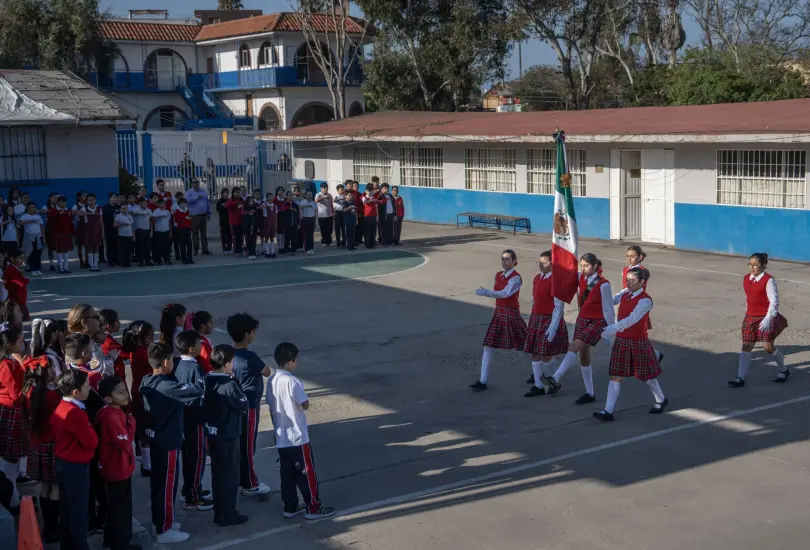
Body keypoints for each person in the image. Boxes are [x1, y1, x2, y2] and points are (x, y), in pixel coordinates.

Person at [140, 342, 203, 544]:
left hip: (157, 438)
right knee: (167, 485)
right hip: (168, 441)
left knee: (160, 484)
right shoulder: (168, 387)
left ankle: (161, 520)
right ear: (166, 362)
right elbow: (195, 390)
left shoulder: (147, 380)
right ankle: (164, 528)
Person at [268, 342, 335, 519]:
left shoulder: (272, 380)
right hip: (297, 437)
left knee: (286, 473)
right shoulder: (292, 381)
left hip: (281, 438)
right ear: (290, 362)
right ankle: (313, 506)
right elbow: (304, 404)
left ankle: (290, 506)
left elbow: (270, 404)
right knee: (306, 473)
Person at [594, 267, 668, 421]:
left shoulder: (645, 300)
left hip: (637, 342)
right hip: (622, 341)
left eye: (632, 280)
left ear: (642, 282)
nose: (628, 283)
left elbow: (632, 319)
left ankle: (660, 399)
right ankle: (608, 411)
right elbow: (609, 301)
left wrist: (612, 328)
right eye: (627, 280)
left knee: (647, 376)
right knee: (615, 376)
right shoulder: (625, 294)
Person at [540, 253, 615, 403]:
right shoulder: (581, 277)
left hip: (597, 322)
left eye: (586, 266)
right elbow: (567, 272)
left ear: (595, 266)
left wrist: (610, 331)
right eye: (582, 265)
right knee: (584, 357)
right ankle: (590, 393)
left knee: (574, 345)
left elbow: (608, 309)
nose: (583, 268)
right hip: (582, 319)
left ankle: (555, 378)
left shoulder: (603, 284)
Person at [51, 368, 98, 550]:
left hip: (64, 464)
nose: (90, 389)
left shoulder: (62, 406)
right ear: (76, 392)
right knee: (79, 513)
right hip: (76, 467)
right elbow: (91, 442)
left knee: (68, 510)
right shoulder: (75, 413)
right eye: (87, 386)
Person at [469, 250, 528, 391]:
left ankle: (537, 371)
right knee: (488, 345)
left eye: (507, 259)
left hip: (511, 314)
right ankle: (483, 381)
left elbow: (506, 293)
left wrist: (487, 293)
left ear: (514, 261)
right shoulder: (498, 275)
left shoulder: (516, 278)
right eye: (502, 259)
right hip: (499, 313)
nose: (504, 261)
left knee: (524, 346)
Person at [729, 252, 790, 387]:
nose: (752, 267)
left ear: (763, 265)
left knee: (768, 348)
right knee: (746, 346)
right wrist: (748, 313)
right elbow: (749, 299)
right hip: (750, 317)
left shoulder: (768, 280)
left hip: (766, 317)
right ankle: (740, 377)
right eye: (750, 264)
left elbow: (774, 301)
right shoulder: (746, 279)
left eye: (755, 265)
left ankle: (783, 370)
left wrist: (769, 318)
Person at [227, 313, 272, 496]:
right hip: (250, 406)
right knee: (248, 444)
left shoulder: (230, 355)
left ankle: (240, 477)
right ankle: (250, 482)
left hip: (235, 405)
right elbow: (267, 371)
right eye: (252, 332)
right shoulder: (250, 356)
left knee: (240, 442)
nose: (254, 335)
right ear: (247, 334)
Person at [204, 344, 249, 527]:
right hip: (228, 435)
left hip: (213, 433)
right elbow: (243, 403)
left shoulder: (207, 379)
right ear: (228, 363)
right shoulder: (229, 384)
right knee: (230, 476)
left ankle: (219, 510)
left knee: (217, 474)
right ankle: (227, 513)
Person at [95, 376, 140, 550]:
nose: (125, 394)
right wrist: (131, 423)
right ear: (107, 398)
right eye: (120, 392)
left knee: (113, 506)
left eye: (125, 390)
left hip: (115, 467)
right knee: (120, 508)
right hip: (117, 469)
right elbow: (123, 441)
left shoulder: (110, 412)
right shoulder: (112, 417)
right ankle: (121, 543)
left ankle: (111, 539)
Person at [22, 352, 63, 543]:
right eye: (53, 367)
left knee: (44, 486)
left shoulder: (30, 392)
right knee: (55, 487)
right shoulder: (54, 396)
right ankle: (53, 528)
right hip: (52, 445)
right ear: (47, 373)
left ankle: (47, 527)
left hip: (38, 444)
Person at [173, 330, 213, 511]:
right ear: (191, 348)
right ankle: (193, 496)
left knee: (190, 456)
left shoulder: (180, 366)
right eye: (199, 343)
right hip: (195, 417)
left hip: (184, 418)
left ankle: (188, 489)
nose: (201, 345)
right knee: (197, 456)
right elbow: (200, 392)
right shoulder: (195, 368)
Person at [523, 251, 570, 398]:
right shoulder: (537, 278)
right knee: (535, 353)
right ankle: (538, 386)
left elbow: (558, 306)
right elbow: (534, 298)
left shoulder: (556, 282)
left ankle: (554, 380)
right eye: (539, 263)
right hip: (536, 318)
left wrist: (553, 326)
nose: (541, 265)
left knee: (546, 354)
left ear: (553, 264)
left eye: (544, 263)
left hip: (549, 320)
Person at [121, 321, 154, 477]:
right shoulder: (143, 352)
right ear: (142, 338)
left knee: (142, 427)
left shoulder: (136, 350)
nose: (152, 340)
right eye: (150, 337)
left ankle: (144, 460)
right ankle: (147, 465)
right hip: (144, 393)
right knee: (145, 429)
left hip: (138, 391)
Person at [0, 326, 27, 512]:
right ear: (10, 345)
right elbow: (16, 394)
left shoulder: (9, 362)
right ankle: (12, 499)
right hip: (11, 410)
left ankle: (13, 489)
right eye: (20, 341)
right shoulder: (7, 365)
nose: (23, 343)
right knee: (9, 457)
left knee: (13, 456)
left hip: (11, 410)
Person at [623, 245, 664, 363]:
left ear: (640, 257)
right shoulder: (625, 270)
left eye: (632, 256)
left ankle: (651, 355)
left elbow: (638, 289)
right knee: (634, 333)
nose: (629, 259)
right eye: (627, 256)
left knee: (639, 333)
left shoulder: (642, 272)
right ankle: (654, 354)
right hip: (627, 301)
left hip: (637, 304)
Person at [186, 178, 211, 257]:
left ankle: (205, 249)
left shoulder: (203, 191)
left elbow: (207, 202)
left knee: (204, 233)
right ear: (192, 184)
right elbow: (187, 201)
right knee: (195, 233)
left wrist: (209, 213)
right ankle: (196, 249)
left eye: (197, 182)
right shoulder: (189, 192)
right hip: (195, 216)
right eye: (194, 182)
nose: (196, 184)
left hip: (203, 215)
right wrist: (196, 197)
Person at [19, 202, 45, 275]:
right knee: (31, 253)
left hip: (38, 237)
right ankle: (32, 268)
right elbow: (20, 223)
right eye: (31, 207)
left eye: (34, 207)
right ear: (27, 208)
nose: (32, 209)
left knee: (38, 253)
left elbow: (42, 227)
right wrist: (30, 221)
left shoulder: (38, 216)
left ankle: (38, 268)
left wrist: (44, 237)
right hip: (29, 238)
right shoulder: (24, 216)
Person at [50, 195, 74, 273]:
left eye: (64, 202)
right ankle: (60, 267)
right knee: (59, 251)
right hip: (58, 233)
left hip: (66, 233)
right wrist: (58, 214)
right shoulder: (53, 211)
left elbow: (71, 222)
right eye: (61, 202)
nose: (63, 204)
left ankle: (66, 267)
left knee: (66, 251)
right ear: (58, 203)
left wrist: (72, 232)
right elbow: (51, 222)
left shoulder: (68, 211)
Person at [3, 248, 30, 321]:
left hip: (18, 299)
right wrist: (26, 280)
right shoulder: (11, 269)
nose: (22, 260)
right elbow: (20, 282)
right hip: (16, 300)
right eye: (20, 258)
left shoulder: (13, 268)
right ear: (12, 258)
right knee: (16, 320)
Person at [159, 303, 188, 368]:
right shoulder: (181, 334)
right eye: (185, 316)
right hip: (179, 365)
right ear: (178, 319)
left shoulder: (165, 333)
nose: (186, 319)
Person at [100, 310, 125, 380]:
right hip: (115, 376)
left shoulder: (101, 337)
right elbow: (127, 353)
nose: (119, 323)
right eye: (117, 321)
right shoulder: (109, 342)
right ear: (109, 326)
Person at [132, 197, 153, 267]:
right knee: (140, 247)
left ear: (146, 203)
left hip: (147, 230)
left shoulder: (149, 210)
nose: (142, 204)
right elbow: (131, 214)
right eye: (141, 203)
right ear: (138, 203)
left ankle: (148, 261)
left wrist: (151, 230)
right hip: (139, 230)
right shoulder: (136, 210)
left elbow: (150, 221)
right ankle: (141, 261)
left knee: (147, 246)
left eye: (144, 203)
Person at [151, 199, 173, 266]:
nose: (164, 205)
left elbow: (169, 222)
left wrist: (170, 231)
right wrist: (160, 216)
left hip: (166, 231)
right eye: (162, 204)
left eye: (164, 203)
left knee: (167, 246)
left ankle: (167, 259)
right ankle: (158, 260)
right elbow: (152, 221)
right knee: (158, 247)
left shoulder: (167, 211)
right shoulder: (156, 211)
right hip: (158, 231)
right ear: (158, 204)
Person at [173, 197, 193, 265]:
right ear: (179, 204)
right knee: (182, 245)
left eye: (184, 203)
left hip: (187, 229)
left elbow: (189, 220)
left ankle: (190, 258)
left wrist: (189, 226)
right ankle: (184, 259)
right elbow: (177, 220)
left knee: (189, 244)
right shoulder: (177, 212)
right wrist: (184, 218)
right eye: (182, 203)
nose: (183, 204)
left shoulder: (188, 211)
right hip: (181, 229)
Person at [225, 188, 245, 256]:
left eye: (239, 192)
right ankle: (236, 251)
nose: (238, 194)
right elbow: (226, 206)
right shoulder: (231, 200)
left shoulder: (241, 200)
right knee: (235, 236)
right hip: (233, 221)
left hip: (241, 221)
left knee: (240, 236)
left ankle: (240, 250)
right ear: (233, 193)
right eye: (236, 192)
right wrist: (235, 203)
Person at [101, 194, 120, 268]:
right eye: (114, 197)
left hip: (118, 229)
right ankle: (110, 261)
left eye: (116, 197)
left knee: (117, 245)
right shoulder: (105, 208)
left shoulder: (118, 207)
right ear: (109, 198)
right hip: (109, 229)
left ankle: (117, 260)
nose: (115, 199)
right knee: (109, 246)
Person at [114, 204, 134, 268]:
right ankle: (123, 263)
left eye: (126, 208)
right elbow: (115, 225)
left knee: (129, 250)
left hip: (129, 235)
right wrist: (122, 224)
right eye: (123, 208)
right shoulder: (118, 216)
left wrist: (133, 235)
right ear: (120, 209)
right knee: (122, 250)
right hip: (122, 235)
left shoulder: (130, 216)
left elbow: (132, 226)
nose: (125, 210)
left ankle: (128, 263)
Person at [72, 191, 88, 269]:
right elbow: (72, 213)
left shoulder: (89, 205)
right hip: (80, 226)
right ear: (79, 198)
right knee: (80, 245)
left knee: (88, 244)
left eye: (86, 196)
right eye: (83, 196)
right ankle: (81, 261)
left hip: (88, 226)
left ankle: (88, 261)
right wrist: (79, 212)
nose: (85, 197)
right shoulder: (76, 206)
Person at [315, 183, 334, 247]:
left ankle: (329, 241)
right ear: (321, 188)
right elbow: (316, 200)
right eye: (325, 188)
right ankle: (324, 242)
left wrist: (333, 213)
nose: (326, 189)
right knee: (323, 229)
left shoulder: (329, 195)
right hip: (321, 215)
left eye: (327, 188)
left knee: (330, 229)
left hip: (329, 214)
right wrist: (323, 197)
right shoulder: (318, 194)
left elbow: (332, 203)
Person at [361, 184, 379, 249]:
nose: (370, 192)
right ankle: (367, 244)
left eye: (371, 191)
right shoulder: (364, 197)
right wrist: (371, 200)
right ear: (366, 191)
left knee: (373, 231)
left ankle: (372, 243)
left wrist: (377, 217)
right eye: (368, 191)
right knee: (367, 231)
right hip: (367, 216)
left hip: (374, 216)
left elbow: (376, 207)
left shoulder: (374, 198)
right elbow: (365, 202)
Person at [261, 192, 278, 258]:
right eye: (269, 196)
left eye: (271, 196)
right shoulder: (264, 204)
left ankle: (273, 251)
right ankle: (267, 252)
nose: (270, 198)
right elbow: (261, 207)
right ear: (266, 198)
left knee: (272, 237)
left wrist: (276, 224)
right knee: (266, 237)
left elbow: (276, 215)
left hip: (273, 222)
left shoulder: (275, 205)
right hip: (266, 222)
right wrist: (267, 205)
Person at [215, 189, 232, 255]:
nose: (226, 194)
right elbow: (217, 210)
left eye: (227, 193)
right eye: (225, 193)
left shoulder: (229, 200)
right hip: (222, 221)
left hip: (229, 220)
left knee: (229, 235)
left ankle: (229, 248)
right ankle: (224, 248)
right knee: (223, 235)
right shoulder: (219, 201)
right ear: (222, 194)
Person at [333, 183, 347, 249]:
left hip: (343, 212)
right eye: (341, 189)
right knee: (337, 228)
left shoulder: (345, 195)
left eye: (343, 189)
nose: (342, 190)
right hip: (337, 212)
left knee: (344, 228)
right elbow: (334, 200)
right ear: (337, 190)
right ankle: (338, 242)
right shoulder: (336, 195)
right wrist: (340, 199)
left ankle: (344, 242)